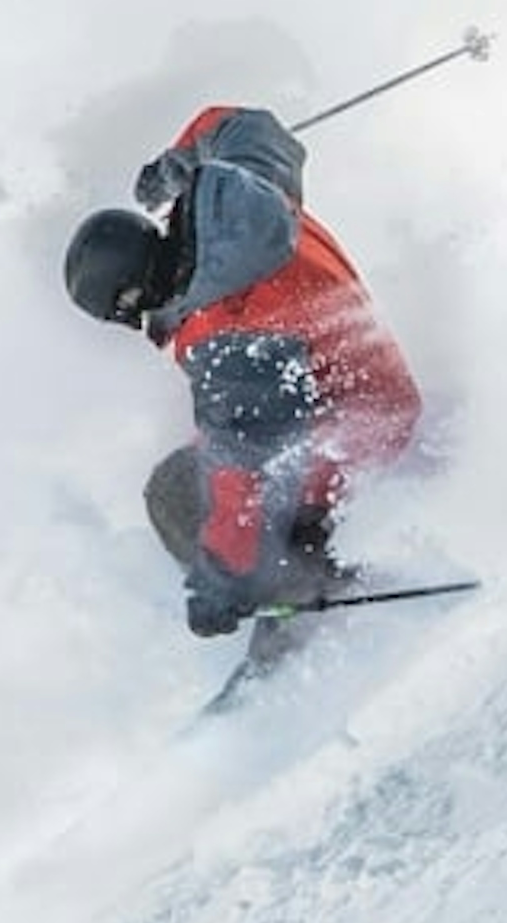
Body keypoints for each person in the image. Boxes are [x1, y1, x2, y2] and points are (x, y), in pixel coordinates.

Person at [63, 105, 423, 637]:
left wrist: (222, 581)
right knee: (207, 450)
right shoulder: (243, 193)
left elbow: (248, 460)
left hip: (360, 436)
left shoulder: (225, 329)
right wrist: (173, 167)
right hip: (371, 391)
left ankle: (300, 602)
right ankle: (284, 570)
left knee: (177, 490)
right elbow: (240, 125)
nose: (141, 325)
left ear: (133, 294)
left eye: (129, 315)